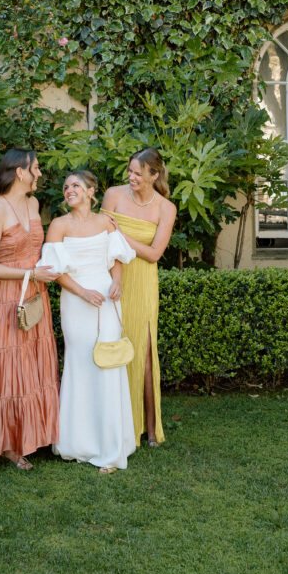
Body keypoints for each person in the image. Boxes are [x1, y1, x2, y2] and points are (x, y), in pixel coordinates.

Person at [37, 170, 136, 472]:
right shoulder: (58, 225)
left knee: (107, 363)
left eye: (76, 185)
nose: (70, 190)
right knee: (80, 363)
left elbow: (116, 259)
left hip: (106, 299)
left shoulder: (106, 222)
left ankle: (111, 446)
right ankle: (78, 442)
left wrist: (115, 283)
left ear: (92, 191)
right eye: (66, 187)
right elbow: (54, 270)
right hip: (76, 301)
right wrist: (82, 292)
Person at [0, 149, 61, 470]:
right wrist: (30, 274)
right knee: (8, 369)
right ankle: (7, 445)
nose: (40, 174)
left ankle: (34, 434)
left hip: (33, 294)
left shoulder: (33, 204)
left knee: (32, 367)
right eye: (36, 168)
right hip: (3, 299)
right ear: (20, 173)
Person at [102, 148, 176, 448]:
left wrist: (122, 236)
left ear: (153, 175)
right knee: (111, 343)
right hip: (113, 275)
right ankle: (114, 424)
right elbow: (103, 239)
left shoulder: (166, 208)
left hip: (144, 282)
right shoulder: (113, 195)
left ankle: (147, 429)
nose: (131, 177)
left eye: (137, 173)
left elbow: (155, 253)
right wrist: (116, 240)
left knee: (143, 353)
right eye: (129, 171)